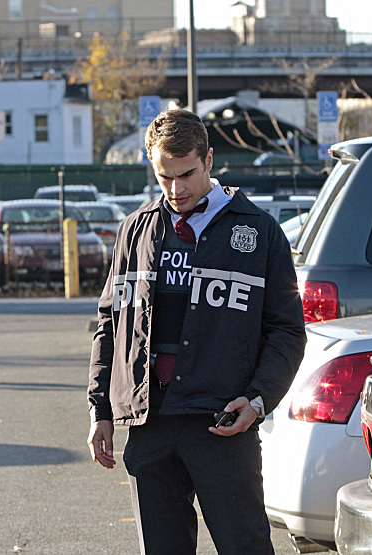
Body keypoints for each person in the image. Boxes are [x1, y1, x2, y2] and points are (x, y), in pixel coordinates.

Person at [87, 109, 306, 554]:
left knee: (245, 546)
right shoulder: (135, 230)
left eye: (186, 174)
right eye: (163, 177)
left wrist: (260, 397)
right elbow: (109, 323)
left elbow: (287, 330)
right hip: (149, 421)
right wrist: (100, 409)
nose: (175, 189)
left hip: (221, 420)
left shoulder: (259, 231)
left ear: (208, 160)